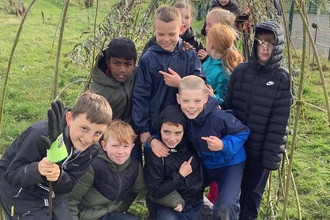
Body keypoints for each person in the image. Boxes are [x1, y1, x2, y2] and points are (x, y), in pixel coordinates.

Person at [149, 75, 250, 219]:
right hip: (204, 163)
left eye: (197, 101)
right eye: (186, 101)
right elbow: (165, 131)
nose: (191, 106)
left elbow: (243, 132)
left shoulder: (218, 116)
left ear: (205, 98)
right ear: (178, 99)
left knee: (226, 205)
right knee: (188, 191)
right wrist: (152, 140)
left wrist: (223, 144)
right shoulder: (182, 116)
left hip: (230, 163)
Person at [0, 92, 113, 220]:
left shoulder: (91, 150)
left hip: (54, 194)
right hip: (21, 194)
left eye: (97, 133)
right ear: (69, 118)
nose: (88, 139)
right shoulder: (39, 134)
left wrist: (59, 176)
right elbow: (11, 176)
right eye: (84, 128)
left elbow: (70, 184)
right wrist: (38, 169)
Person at [223, 21, 293, 220]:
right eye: (261, 42)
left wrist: (270, 157)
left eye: (270, 43)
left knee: (252, 197)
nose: (265, 47)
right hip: (236, 148)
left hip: (260, 153)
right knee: (230, 194)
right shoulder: (241, 71)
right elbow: (228, 108)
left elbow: (279, 124)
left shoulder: (281, 78)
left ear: (277, 46)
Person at [132, 4, 204, 150]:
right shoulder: (148, 59)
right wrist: (143, 129)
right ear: (154, 31)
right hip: (156, 125)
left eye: (171, 34)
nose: (166, 39)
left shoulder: (189, 55)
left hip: (186, 125)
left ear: (181, 30)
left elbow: (201, 84)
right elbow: (140, 95)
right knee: (157, 166)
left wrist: (181, 83)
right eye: (161, 34)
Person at [68, 120, 147, 220]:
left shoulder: (134, 167)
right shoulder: (92, 166)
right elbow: (70, 201)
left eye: (125, 146)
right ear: (104, 145)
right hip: (85, 216)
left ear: (132, 147)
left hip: (108, 214)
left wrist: (173, 201)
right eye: (115, 146)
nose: (120, 152)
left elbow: (147, 190)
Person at [143, 105, 204, 220]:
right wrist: (180, 176)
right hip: (168, 205)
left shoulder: (192, 146)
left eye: (177, 133)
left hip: (193, 203)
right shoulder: (156, 156)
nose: (172, 139)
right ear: (159, 129)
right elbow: (155, 191)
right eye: (166, 132)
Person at [88, 37, 142, 163]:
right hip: (106, 142)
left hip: (132, 140)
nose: (122, 69)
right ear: (108, 62)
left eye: (128, 64)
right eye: (117, 63)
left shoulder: (139, 75)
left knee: (133, 172)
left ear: (134, 63)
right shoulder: (97, 89)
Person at [203, 23, 243, 105]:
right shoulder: (209, 60)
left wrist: (212, 96)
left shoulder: (224, 72)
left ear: (212, 45)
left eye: (207, 40)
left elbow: (224, 100)